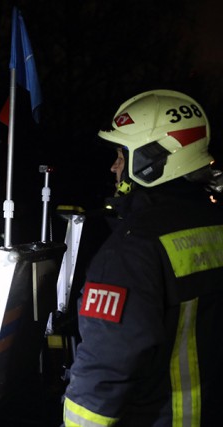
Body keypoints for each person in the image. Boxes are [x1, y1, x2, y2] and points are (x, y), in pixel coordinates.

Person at [63, 89, 223, 426]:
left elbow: (103, 371)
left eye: (121, 155)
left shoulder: (131, 250)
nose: (113, 166)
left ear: (151, 159)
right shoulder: (214, 222)